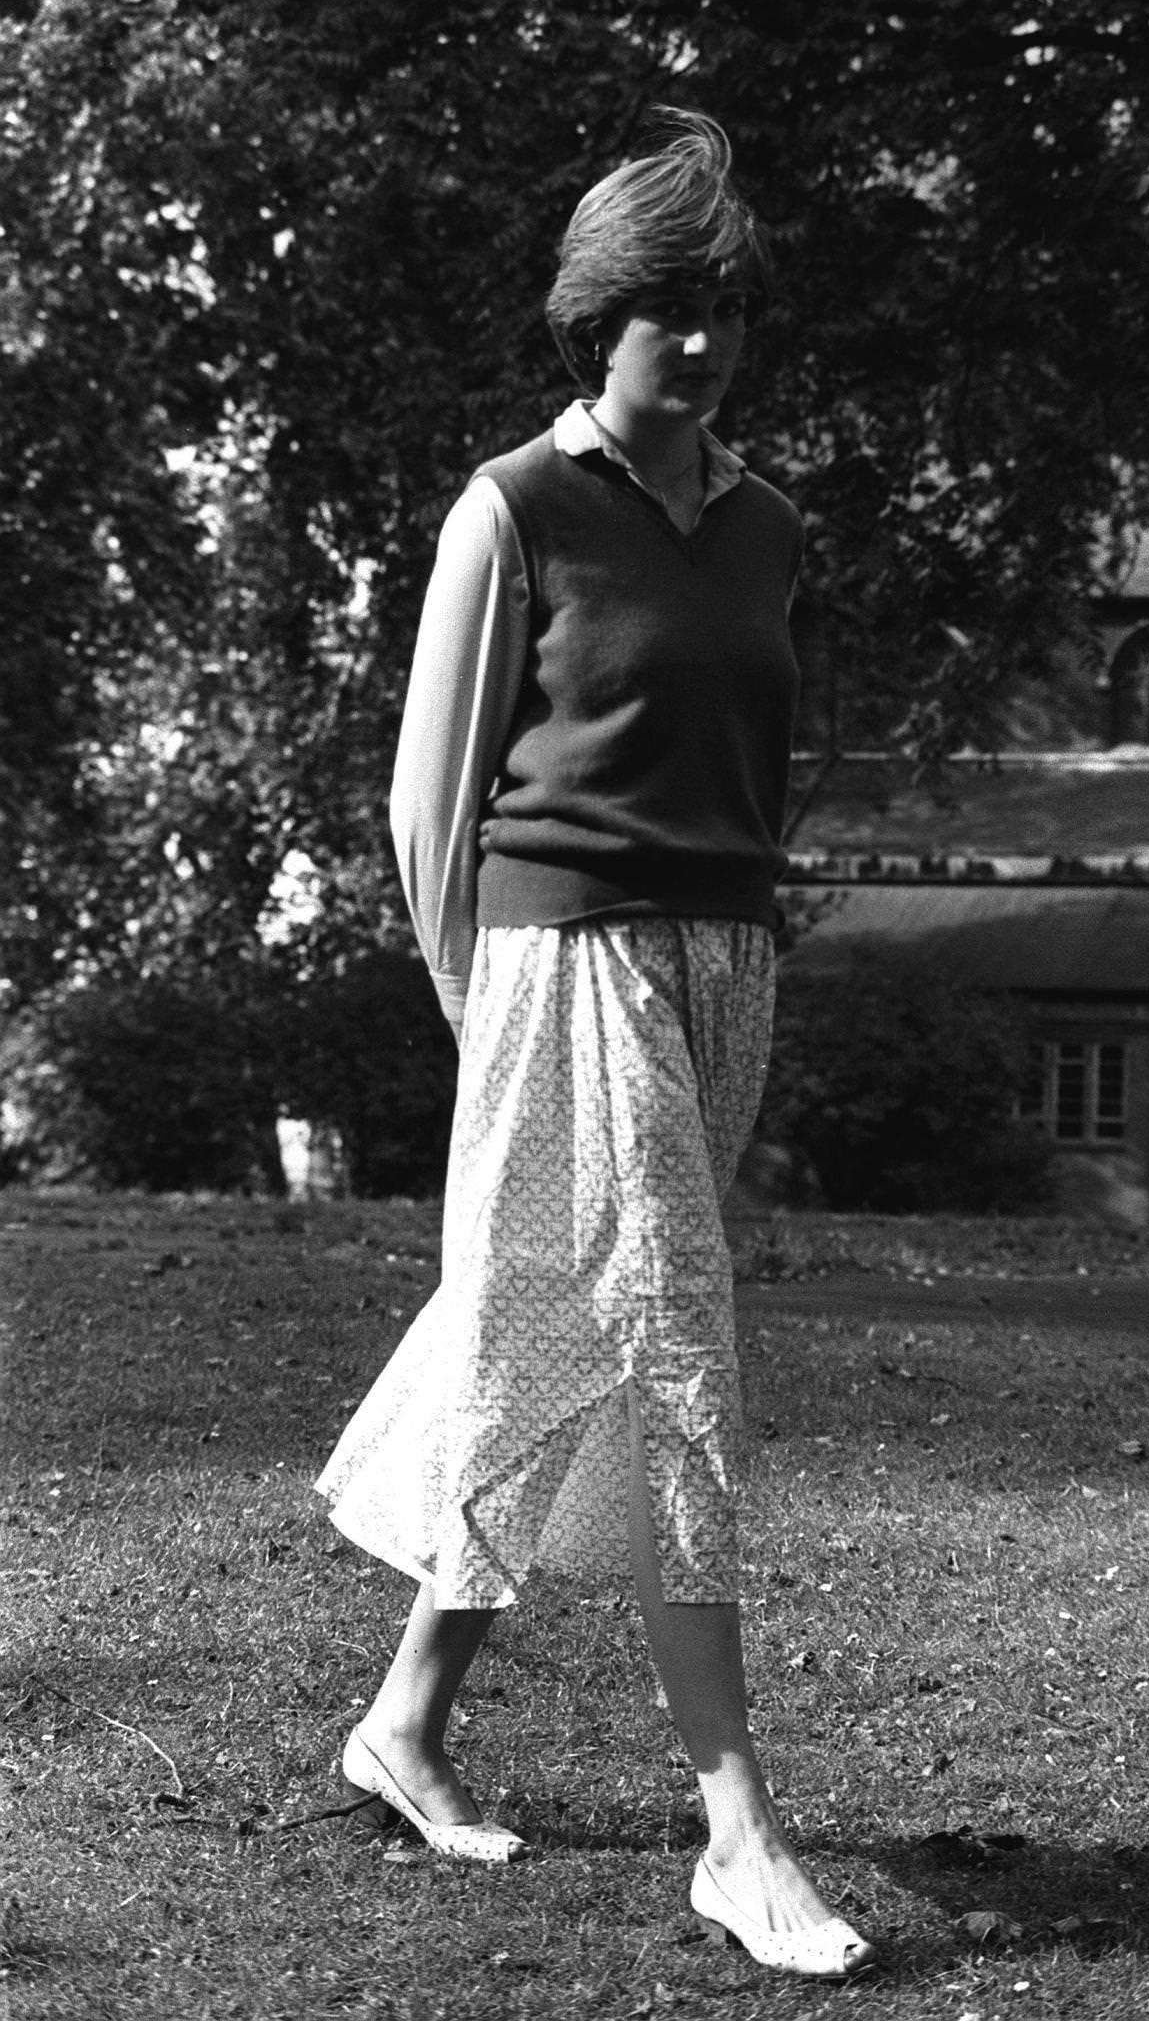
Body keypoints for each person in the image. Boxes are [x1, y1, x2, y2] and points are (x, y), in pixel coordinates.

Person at [315, 108, 877, 1984]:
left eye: (721, 309)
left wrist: (729, 955)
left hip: (721, 970)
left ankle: (403, 1717)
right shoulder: (517, 508)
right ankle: (740, 1829)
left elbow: (747, 763)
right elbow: (427, 809)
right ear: (593, 320)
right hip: (562, 970)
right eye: (660, 309)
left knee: (563, 1343)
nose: (696, 342)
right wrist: (494, 1017)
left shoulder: (774, 528)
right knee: (671, 1349)